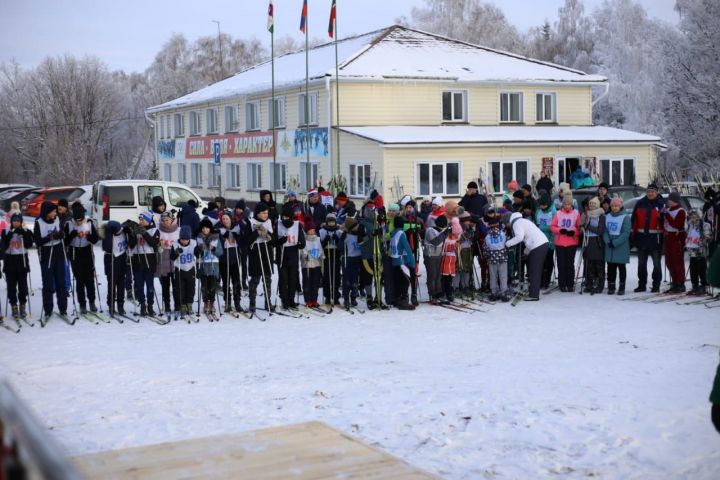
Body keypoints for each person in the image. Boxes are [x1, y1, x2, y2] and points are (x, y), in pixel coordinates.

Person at [505, 210, 551, 301]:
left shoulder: (516, 223)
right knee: (533, 270)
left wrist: (507, 244)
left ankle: (534, 295)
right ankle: (532, 291)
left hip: (538, 246)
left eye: (506, 224)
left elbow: (519, 237)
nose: (507, 227)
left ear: (508, 221)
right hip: (541, 244)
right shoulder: (522, 221)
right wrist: (526, 252)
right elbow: (529, 238)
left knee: (534, 271)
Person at [33, 201, 68, 319]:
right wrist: (50, 237)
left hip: (58, 253)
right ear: (47, 212)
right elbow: (37, 241)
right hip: (46, 256)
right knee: (48, 285)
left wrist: (62, 234)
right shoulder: (38, 222)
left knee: (61, 283)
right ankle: (48, 309)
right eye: (53, 211)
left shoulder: (58, 219)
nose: (55, 213)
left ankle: (63, 309)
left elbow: (62, 232)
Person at [65, 203, 100, 314]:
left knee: (89, 279)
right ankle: (82, 303)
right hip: (75, 253)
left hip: (87, 252)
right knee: (79, 280)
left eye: (81, 219)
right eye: (77, 220)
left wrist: (88, 236)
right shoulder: (69, 224)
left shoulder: (89, 223)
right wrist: (72, 235)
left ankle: (92, 302)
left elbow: (95, 239)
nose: (79, 222)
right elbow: (64, 242)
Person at [631, 183, 665, 293]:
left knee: (656, 264)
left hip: (656, 239)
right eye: (649, 191)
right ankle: (642, 284)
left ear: (657, 193)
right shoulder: (640, 203)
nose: (650, 193)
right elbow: (634, 220)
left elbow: (666, 222)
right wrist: (633, 236)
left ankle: (656, 285)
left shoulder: (661, 204)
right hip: (642, 239)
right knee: (641, 264)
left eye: (653, 192)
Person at [127, 211, 160, 317]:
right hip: (138, 259)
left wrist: (144, 234)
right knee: (139, 285)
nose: (140, 221)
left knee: (150, 285)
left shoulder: (155, 230)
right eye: (139, 219)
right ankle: (142, 305)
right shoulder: (137, 230)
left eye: (143, 219)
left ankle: (150, 306)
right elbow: (131, 245)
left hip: (149, 260)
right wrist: (132, 234)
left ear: (149, 220)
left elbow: (153, 243)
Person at [244, 203, 275, 313]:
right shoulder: (250, 222)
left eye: (267, 213)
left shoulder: (269, 221)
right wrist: (256, 232)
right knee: (255, 279)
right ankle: (252, 303)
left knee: (267, 279)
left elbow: (272, 238)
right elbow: (247, 240)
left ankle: (268, 302)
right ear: (258, 213)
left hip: (267, 250)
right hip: (255, 252)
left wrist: (267, 233)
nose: (266, 215)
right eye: (263, 213)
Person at [2, 213, 33, 319]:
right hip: (10, 260)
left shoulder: (25, 231)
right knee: (11, 287)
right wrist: (9, 235)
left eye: (18, 221)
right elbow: (3, 246)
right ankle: (14, 306)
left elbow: (29, 244)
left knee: (23, 286)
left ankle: (22, 305)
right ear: (11, 222)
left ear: (21, 222)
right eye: (14, 221)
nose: (16, 223)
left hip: (22, 260)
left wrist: (24, 235)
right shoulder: (5, 231)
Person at [276, 204, 306, 310]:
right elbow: (273, 242)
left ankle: (291, 299)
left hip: (293, 254)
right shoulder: (278, 224)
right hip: (282, 255)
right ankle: (284, 300)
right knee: (283, 279)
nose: (286, 219)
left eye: (288, 217)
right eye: (284, 217)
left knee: (293, 279)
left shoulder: (297, 225)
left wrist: (300, 244)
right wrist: (280, 241)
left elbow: (303, 242)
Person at [551, 194, 582, 292]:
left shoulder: (576, 213)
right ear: (563, 204)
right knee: (561, 264)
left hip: (571, 242)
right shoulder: (558, 213)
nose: (567, 206)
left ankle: (570, 284)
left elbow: (579, 228)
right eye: (565, 204)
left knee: (570, 264)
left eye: (569, 204)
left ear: (571, 204)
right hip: (560, 242)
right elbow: (552, 226)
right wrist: (560, 230)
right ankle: (562, 284)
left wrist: (574, 232)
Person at [603, 197, 631, 295]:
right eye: (613, 206)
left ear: (620, 206)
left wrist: (615, 242)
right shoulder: (608, 216)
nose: (614, 208)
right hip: (610, 246)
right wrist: (607, 241)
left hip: (620, 247)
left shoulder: (625, 217)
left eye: (616, 206)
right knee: (611, 267)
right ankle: (611, 286)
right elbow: (605, 231)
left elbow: (626, 233)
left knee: (621, 267)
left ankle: (622, 287)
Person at [169, 226, 200, 317]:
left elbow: (198, 255)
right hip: (179, 269)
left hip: (190, 269)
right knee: (180, 289)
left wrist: (199, 250)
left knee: (191, 288)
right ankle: (182, 305)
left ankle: (189, 304)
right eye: (183, 239)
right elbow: (171, 257)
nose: (184, 241)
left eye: (186, 239)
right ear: (180, 237)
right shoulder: (175, 244)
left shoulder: (194, 243)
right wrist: (176, 252)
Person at [388, 216, 416, 310]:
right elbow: (407, 247)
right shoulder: (401, 233)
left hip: (394, 260)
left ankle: (397, 299)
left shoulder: (393, 233)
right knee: (405, 281)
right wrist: (412, 261)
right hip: (401, 261)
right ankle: (404, 301)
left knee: (398, 281)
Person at [218, 211, 243, 313]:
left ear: (230, 219)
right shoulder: (220, 229)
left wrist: (238, 236)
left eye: (226, 219)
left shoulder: (236, 227)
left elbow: (242, 240)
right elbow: (217, 242)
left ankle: (237, 303)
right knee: (226, 282)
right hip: (224, 260)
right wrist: (223, 237)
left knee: (236, 282)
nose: (225, 221)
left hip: (235, 259)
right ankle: (227, 302)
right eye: (223, 219)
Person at [196, 218, 223, 315]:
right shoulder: (198, 238)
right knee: (204, 287)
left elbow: (220, 252)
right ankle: (205, 303)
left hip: (213, 266)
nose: (205, 230)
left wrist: (214, 248)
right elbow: (196, 253)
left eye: (207, 228)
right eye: (203, 228)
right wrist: (199, 250)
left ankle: (212, 303)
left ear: (210, 229)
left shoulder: (216, 238)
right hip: (203, 266)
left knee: (212, 286)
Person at [102, 221, 128, 316]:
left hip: (122, 259)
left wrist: (128, 230)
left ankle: (120, 305)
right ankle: (111, 305)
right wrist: (109, 235)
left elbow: (130, 242)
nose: (121, 231)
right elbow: (107, 247)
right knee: (112, 283)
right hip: (111, 259)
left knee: (121, 283)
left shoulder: (123, 233)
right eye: (118, 230)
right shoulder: (108, 235)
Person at [663, 191, 687, 293]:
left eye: (670, 200)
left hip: (677, 238)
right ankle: (675, 282)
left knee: (677, 262)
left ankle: (681, 283)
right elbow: (665, 223)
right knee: (669, 261)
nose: (668, 201)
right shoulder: (668, 210)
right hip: (668, 237)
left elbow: (677, 225)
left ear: (675, 201)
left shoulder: (681, 211)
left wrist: (667, 215)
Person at [484, 210, 510, 302]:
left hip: (492, 258)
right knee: (503, 275)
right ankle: (504, 292)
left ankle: (494, 292)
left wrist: (487, 256)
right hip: (502, 257)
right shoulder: (503, 234)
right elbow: (507, 245)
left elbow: (486, 249)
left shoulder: (487, 236)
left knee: (493, 275)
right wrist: (505, 253)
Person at [401, 198, 424, 306]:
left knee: (413, 272)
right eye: (407, 208)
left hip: (415, 249)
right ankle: (404, 294)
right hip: (405, 249)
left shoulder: (418, 219)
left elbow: (422, 231)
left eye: (410, 207)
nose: (409, 209)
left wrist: (418, 231)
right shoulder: (402, 219)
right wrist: (406, 230)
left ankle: (413, 295)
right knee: (405, 272)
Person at [156, 211, 179, 314]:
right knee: (165, 285)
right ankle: (167, 305)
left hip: (175, 260)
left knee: (176, 285)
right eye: (163, 220)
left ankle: (177, 305)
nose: (165, 222)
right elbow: (155, 243)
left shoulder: (178, 230)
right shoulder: (158, 230)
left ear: (172, 220)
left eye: (167, 220)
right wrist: (159, 245)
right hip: (163, 260)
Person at [583, 197, 606, 294]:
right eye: (590, 204)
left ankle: (600, 285)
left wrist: (588, 227)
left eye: (594, 204)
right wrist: (583, 226)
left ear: (597, 205)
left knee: (599, 265)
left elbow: (600, 230)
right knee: (589, 264)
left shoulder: (601, 216)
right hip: (588, 240)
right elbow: (583, 226)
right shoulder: (587, 215)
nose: (591, 206)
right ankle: (589, 284)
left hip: (597, 242)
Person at [686, 209, 711, 296]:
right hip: (692, 249)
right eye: (691, 216)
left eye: (695, 216)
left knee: (701, 268)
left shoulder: (704, 225)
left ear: (699, 216)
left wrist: (701, 241)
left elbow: (708, 237)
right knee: (693, 268)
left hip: (701, 250)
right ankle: (695, 285)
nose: (693, 218)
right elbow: (687, 234)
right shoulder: (689, 225)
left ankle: (704, 285)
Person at [340, 216, 363, 309]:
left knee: (355, 280)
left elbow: (366, 240)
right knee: (347, 281)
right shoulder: (346, 235)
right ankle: (346, 298)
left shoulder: (359, 233)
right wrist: (342, 239)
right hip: (347, 259)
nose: (357, 227)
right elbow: (340, 247)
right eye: (355, 226)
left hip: (357, 259)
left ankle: (353, 297)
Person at [424, 214, 448, 304]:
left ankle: (439, 293)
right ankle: (433, 295)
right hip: (430, 256)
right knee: (432, 276)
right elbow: (435, 241)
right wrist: (444, 234)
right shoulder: (430, 230)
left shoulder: (440, 230)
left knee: (438, 276)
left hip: (438, 255)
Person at [319, 212, 342, 306]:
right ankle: (328, 296)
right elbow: (320, 244)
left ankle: (336, 296)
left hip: (335, 253)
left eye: (333, 222)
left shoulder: (339, 231)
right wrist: (325, 241)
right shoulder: (322, 231)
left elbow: (341, 245)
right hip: (327, 252)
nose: (331, 223)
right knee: (327, 275)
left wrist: (337, 239)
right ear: (327, 222)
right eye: (330, 222)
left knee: (336, 275)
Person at [535, 193, 556, 289]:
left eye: (544, 205)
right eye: (541, 205)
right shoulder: (538, 211)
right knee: (540, 262)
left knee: (548, 261)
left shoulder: (553, 212)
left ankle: (546, 281)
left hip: (549, 240)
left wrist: (552, 242)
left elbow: (554, 228)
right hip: (539, 240)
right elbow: (536, 224)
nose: (542, 206)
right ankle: (540, 280)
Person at [300, 219, 324, 308]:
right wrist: (307, 256)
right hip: (307, 264)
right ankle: (308, 299)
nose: (312, 232)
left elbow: (320, 249)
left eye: (313, 230)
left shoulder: (317, 239)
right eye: (310, 230)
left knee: (315, 282)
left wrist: (322, 255)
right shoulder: (304, 239)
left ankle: (314, 299)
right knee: (307, 283)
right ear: (307, 231)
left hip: (316, 264)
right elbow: (302, 250)